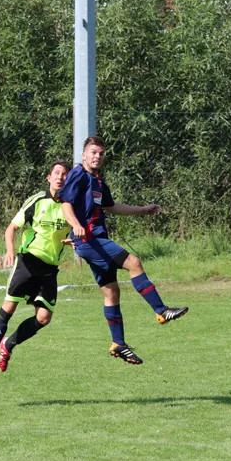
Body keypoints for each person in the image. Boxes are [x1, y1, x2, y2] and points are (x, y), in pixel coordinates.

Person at [58, 136, 188, 365]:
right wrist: (76, 225)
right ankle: (161, 310)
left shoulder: (98, 181)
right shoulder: (78, 174)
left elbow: (111, 206)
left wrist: (143, 210)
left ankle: (118, 343)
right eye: (93, 152)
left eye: (101, 153)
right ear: (84, 155)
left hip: (95, 239)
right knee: (134, 262)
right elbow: (65, 203)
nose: (97, 156)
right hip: (89, 240)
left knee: (111, 292)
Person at [0, 161, 72, 378]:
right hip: (28, 262)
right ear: (49, 178)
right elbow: (12, 227)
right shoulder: (38, 201)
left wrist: (77, 241)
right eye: (56, 173)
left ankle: (8, 345)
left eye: (64, 174)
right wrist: (10, 251)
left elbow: (79, 230)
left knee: (43, 318)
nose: (60, 177)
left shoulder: (71, 206)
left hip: (50, 268)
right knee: (9, 307)